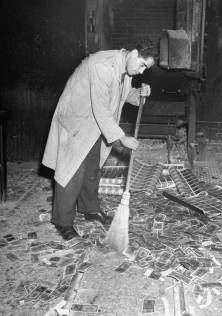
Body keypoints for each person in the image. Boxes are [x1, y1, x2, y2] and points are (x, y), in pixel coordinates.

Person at [42, 43, 155, 240]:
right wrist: (122, 138)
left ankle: (90, 210)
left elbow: (119, 94)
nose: (141, 72)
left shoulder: (124, 68)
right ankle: (62, 221)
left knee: (93, 167)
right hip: (76, 120)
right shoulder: (102, 65)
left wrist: (139, 95)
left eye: (146, 69)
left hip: (94, 124)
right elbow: (102, 108)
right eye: (142, 65)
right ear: (134, 53)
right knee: (72, 172)